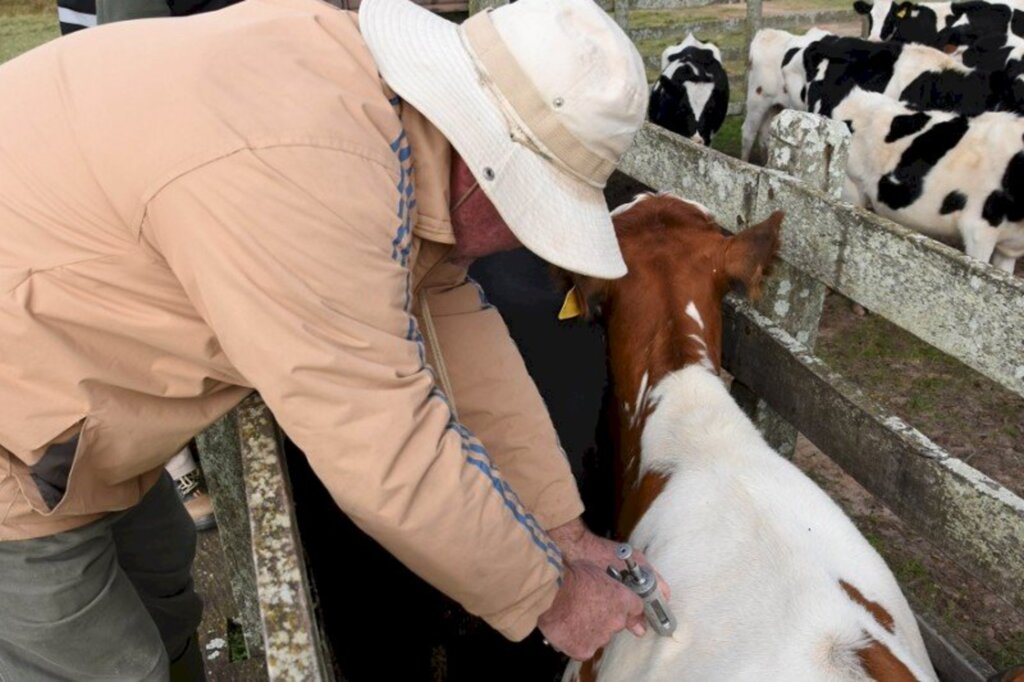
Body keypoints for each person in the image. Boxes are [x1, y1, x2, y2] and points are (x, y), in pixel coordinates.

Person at [0, 0, 656, 679]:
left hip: (74, 399)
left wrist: (562, 532)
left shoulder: (373, 116)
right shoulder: (305, 169)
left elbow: (452, 323)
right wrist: (554, 598)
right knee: (105, 664)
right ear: (488, 164)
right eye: (535, 210)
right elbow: (379, 441)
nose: (526, 239)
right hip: (16, 430)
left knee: (163, 575)